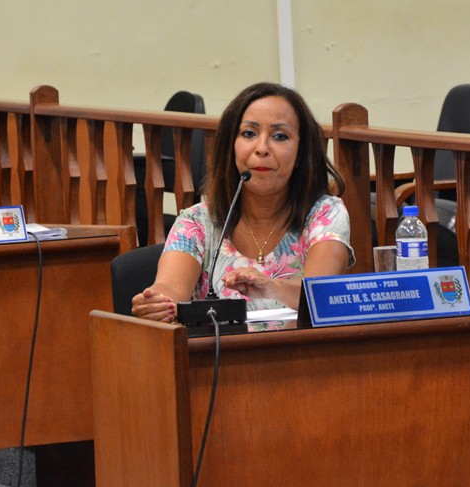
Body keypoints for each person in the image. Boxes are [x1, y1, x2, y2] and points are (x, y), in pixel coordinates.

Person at [132, 82, 353, 321]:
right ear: (231, 147)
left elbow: (322, 293)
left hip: (301, 346)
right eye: (249, 133)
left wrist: (271, 287)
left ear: (300, 153)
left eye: (280, 136)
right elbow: (170, 288)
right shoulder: (195, 222)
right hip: (218, 347)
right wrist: (156, 302)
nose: (262, 148)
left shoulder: (325, 214)